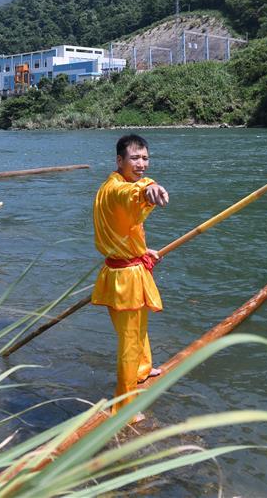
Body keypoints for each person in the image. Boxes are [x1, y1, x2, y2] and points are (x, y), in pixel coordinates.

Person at [91, 134, 170, 421]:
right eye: (135, 158)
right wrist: (150, 190)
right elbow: (134, 194)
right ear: (119, 160)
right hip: (124, 278)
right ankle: (123, 405)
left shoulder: (112, 186)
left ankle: (142, 369)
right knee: (129, 341)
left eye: (145, 158)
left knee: (138, 329)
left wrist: (140, 250)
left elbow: (121, 227)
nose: (141, 164)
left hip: (124, 266)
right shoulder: (116, 190)